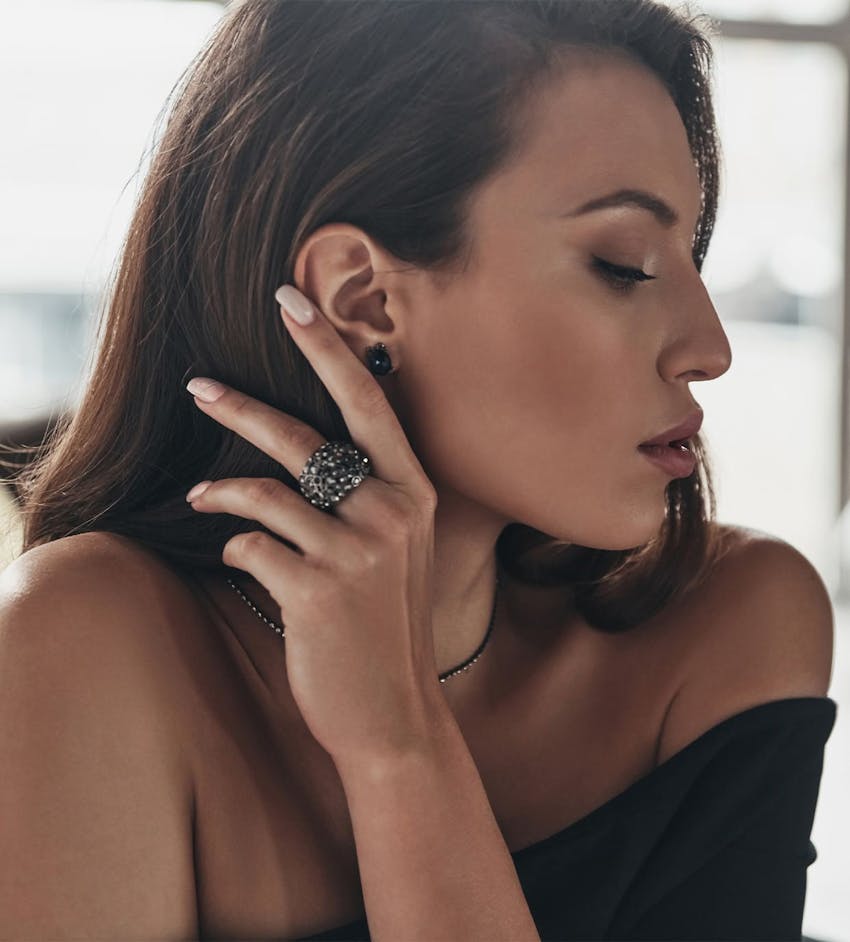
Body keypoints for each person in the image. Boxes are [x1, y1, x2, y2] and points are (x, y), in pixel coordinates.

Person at [0, 1, 837, 939]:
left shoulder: (729, 627)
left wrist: (399, 744)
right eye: (625, 264)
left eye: (695, 257)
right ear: (362, 296)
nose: (711, 349)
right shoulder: (88, 645)